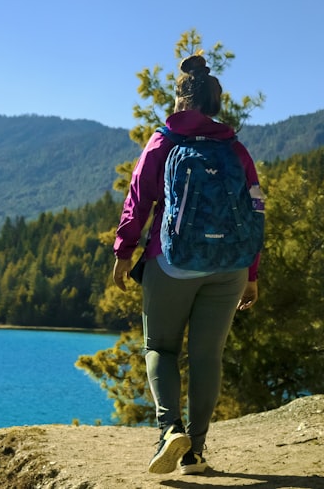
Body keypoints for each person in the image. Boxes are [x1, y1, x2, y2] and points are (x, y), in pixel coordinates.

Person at [112, 54, 262, 476]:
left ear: (180, 98)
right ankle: (195, 452)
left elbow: (138, 198)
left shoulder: (164, 141)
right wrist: (250, 273)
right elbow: (255, 209)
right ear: (214, 105)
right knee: (207, 356)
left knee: (160, 347)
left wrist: (124, 251)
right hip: (229, 266)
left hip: (172, 262)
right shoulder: (235, 148)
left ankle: (169, 430)